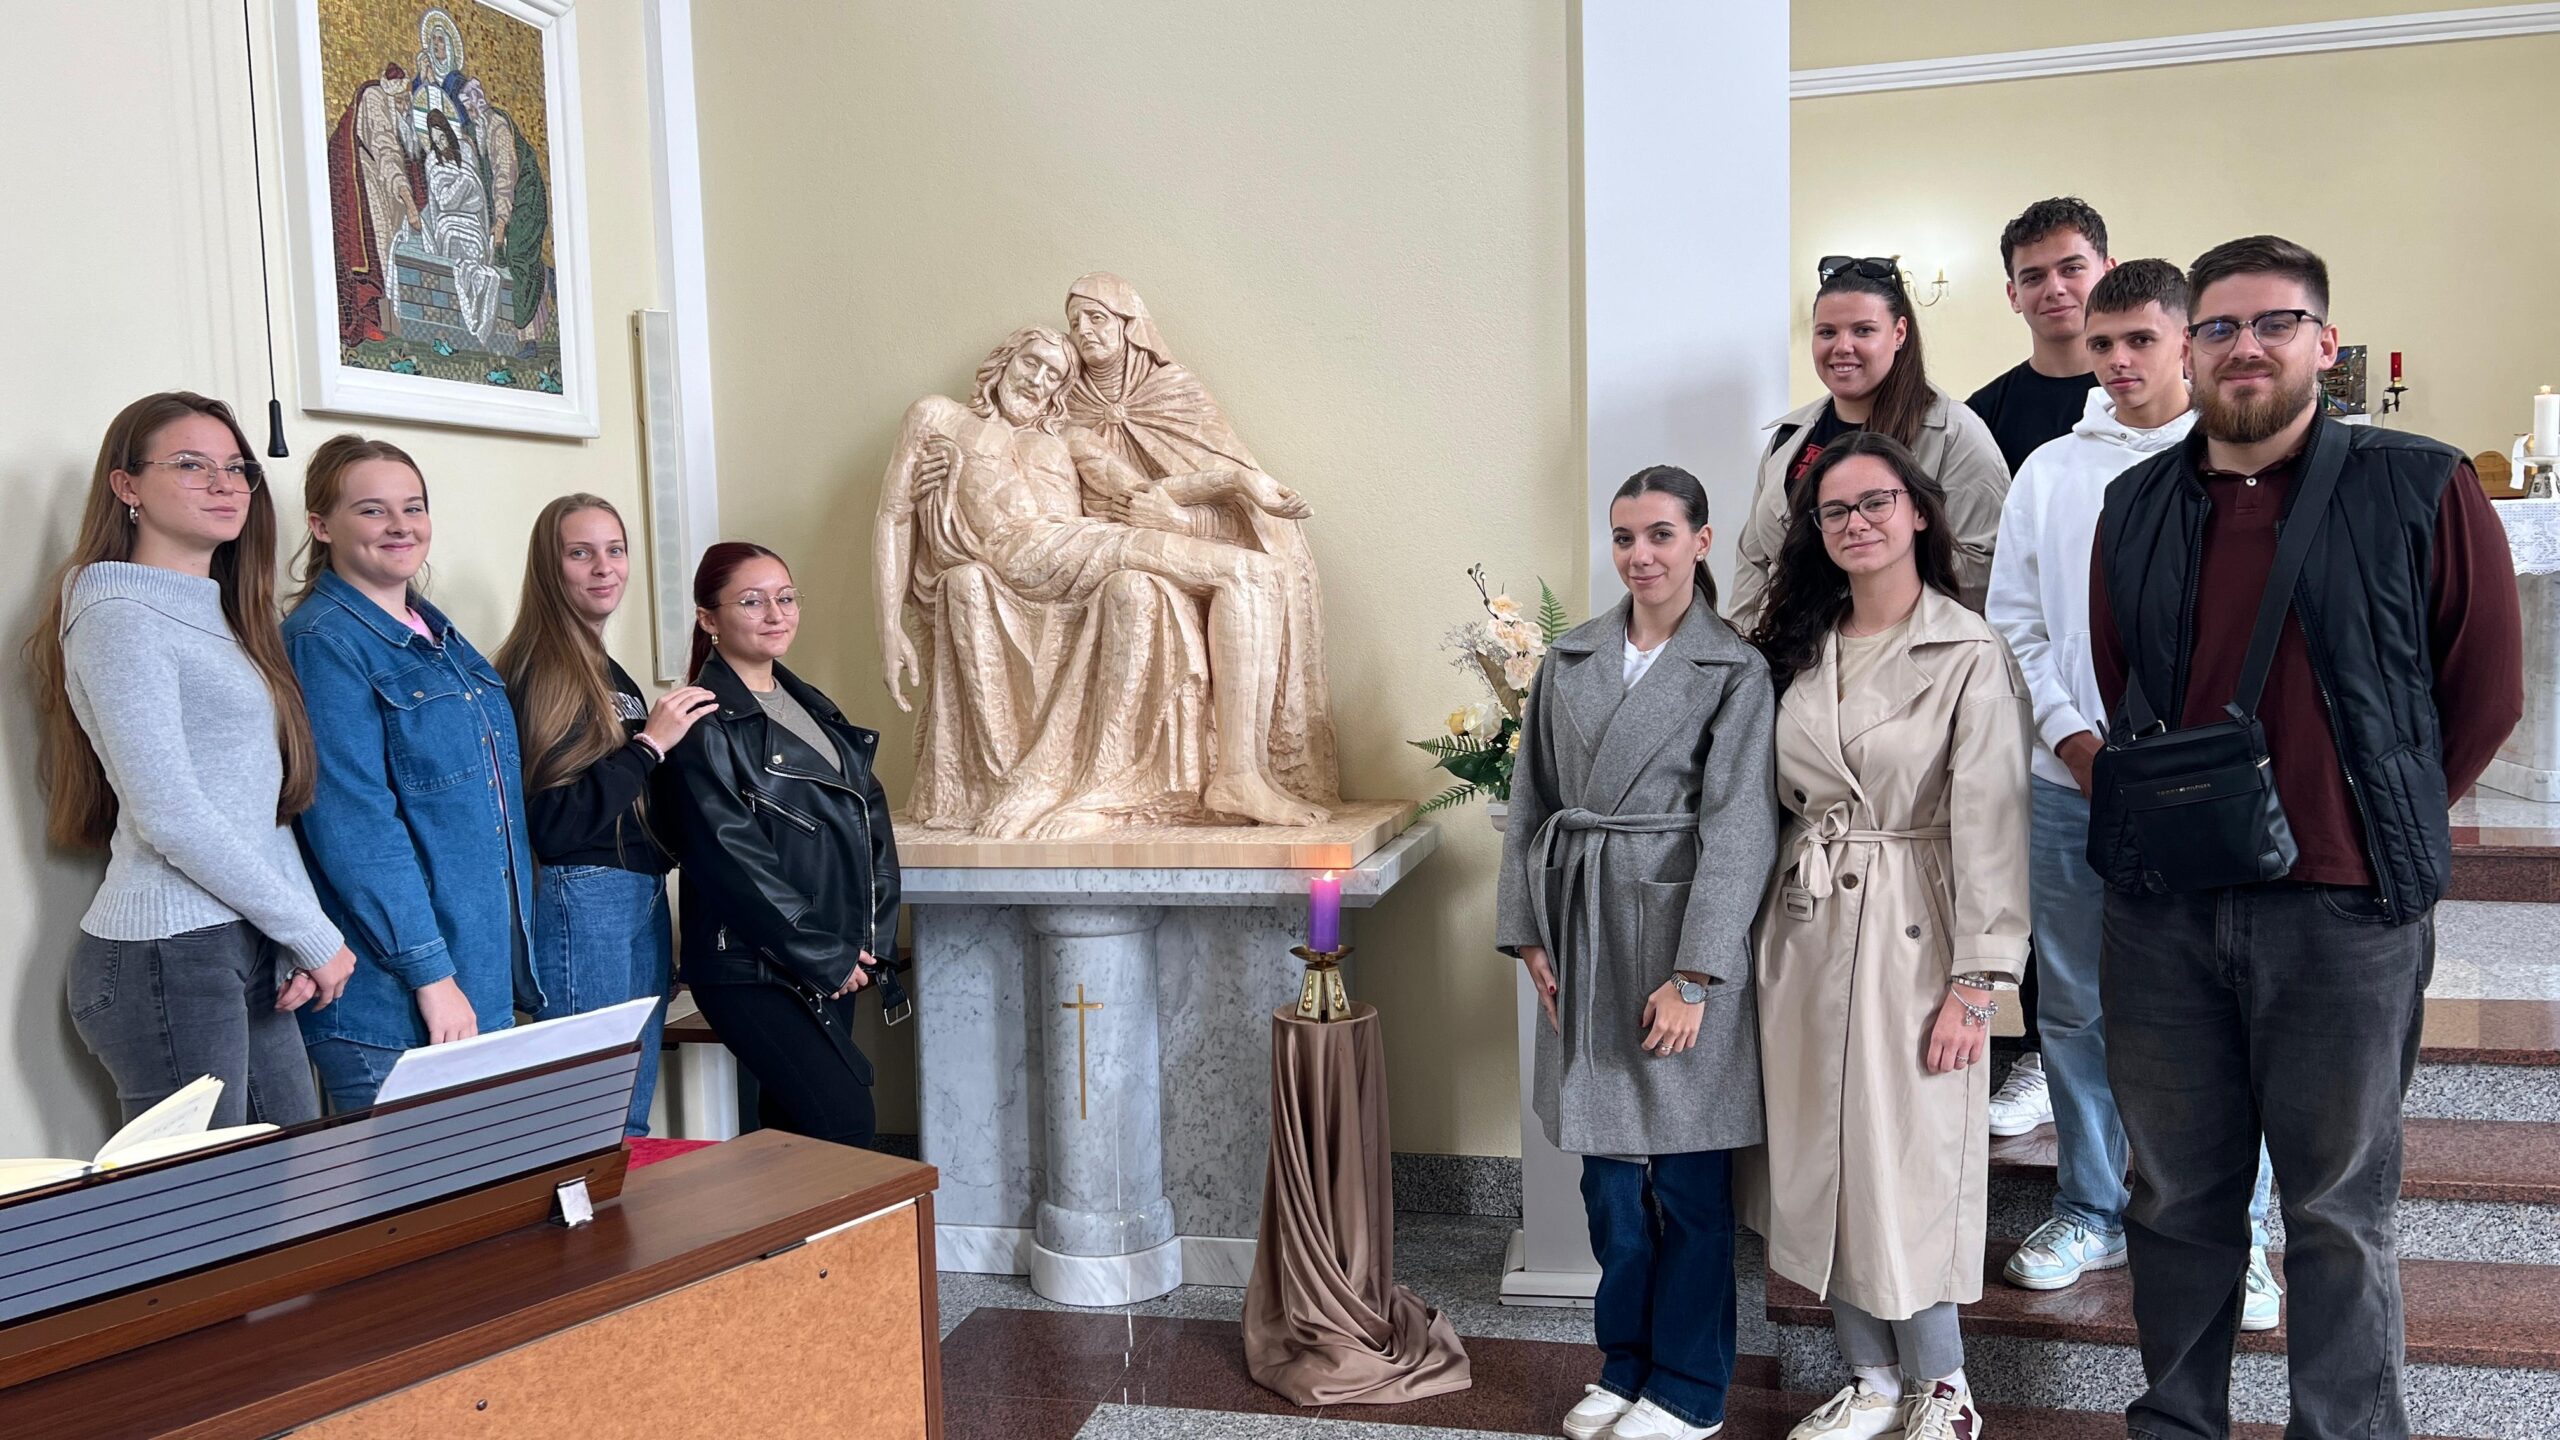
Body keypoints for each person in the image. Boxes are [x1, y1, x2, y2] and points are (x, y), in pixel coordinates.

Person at [2090, 236, 2521, 1440]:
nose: (2245, 347)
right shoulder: (2135, 506)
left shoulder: (2419, 485)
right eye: (2219, 327)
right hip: (2166, 911)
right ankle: (2179, 1421)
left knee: (2335, 1209)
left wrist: (2370, 816)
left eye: (2272, 323)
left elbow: (2483, 691)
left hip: (2343, 910)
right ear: (2189, 349)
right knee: (2172, 1197)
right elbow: (2125, 681)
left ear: (2323, 345)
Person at [1984, 262, 2283, 1325]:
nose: (2116, 362)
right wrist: (2071, 737)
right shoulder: (2050, 470)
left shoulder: (2237, 458)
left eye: (2139, 341)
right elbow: (2015, 620)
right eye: (2102, 344)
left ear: (2186, 343)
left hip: (2206, 781)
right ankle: (2091, 1206)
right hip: (2071, 779)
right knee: (2075, 1004)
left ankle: (2240, 1230)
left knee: (2220, 1006)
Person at [1742, 432, 2032, 1440]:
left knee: (1907, 1160)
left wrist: (1978, 981)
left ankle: (1943, 1387)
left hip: (1918, 926)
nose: (1856, 523)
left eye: (1875, 502)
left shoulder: (1966, 649)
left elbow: (1993, 821)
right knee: (1820, 1160)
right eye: (1834, 510)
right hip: (1805, 926)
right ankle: (1868, 1377)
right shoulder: (1795, 645)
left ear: (1917, 512)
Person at [1497, 467, 1776, 1440]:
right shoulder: (1568, 657)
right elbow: (1531, 802)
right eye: (1624, 537)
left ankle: (1690, 1391)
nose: (1640, 555)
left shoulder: (1733, 671)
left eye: (1660, 534)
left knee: (1689, 1183)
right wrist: (1528, 931)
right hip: (1581, 925)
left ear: (1701, 541)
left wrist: (1695, 977)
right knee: (1609, 1184)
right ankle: (1622, 1367)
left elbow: (1740, 831)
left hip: (1678, 939)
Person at [30, 393, 357, 1128]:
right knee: (208, 1199)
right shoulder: (118, 615)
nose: (224, 484)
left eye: (237, 468)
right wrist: (311, 933)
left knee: (291, 1182)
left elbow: (259, 804)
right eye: (190, 465)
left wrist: (295, 930)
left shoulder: (224, 611)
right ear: (127, 485)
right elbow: (170, 812)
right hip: (167, 952)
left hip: (244, 938)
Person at [874, 325, 1323, 835]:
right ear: (1003, 361)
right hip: (1019, 553)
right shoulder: (938, 416)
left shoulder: (1067, 440)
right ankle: (1238, 778)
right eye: (1031, 363)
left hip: (1078, 549)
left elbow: (1147, 492)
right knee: (1248, 571)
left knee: (1258, 573)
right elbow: (894, 514)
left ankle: (1242, 774)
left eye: (1053, 375)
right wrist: (889, 628)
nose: (1038, 380)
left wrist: (1237, 480)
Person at [286, 435, 535, 1113]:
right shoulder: (322, 642)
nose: (400, 526)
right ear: (321, 526)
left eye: (413, 507)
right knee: (418, 1185)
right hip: (394, 1001)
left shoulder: (439, 638)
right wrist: (432, 977)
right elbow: (355, 830)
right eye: (372, 510)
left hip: (475, 975)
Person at [493, 495, 717, 1138]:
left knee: (627, 1119)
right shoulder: (541, 668)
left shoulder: (604, 668)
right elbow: (552, 823)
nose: (603, 567)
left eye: (614, 550)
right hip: (581, 896)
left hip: (635, 893)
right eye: (580, 552)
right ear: (549, 565)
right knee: (586, 1120)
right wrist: (649, 746)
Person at [672, 542, 900, 1149]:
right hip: (752, 965)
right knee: (841, 1122)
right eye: (752, 601)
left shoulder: (812, 706)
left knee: (796, 1136)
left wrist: (865, 946)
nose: (775, 613)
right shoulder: (702, 722)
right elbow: (733, 860)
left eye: (786, 597)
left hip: (829, 955)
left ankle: (780, 1223)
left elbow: (868, 820)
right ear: (708, 618)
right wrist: (823, 955)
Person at [1728, 258, 2008, 632]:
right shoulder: (1788, 437)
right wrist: (1745, 651)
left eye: (1863, 330)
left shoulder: (1955, 433)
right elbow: (1753, 561)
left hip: (1905, 651)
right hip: (1787, 650)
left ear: (1899, 333)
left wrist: (1856, 626)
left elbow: (1979, 566)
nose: (1842, 346)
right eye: (1827, 332)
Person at [1968, 197, 2112, 475]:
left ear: (2108, 274)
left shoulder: (2163, 389)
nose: (2055, 289)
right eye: (2034, 277)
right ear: (2014, 296)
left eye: (2071, 269)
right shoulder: (1982, 416)